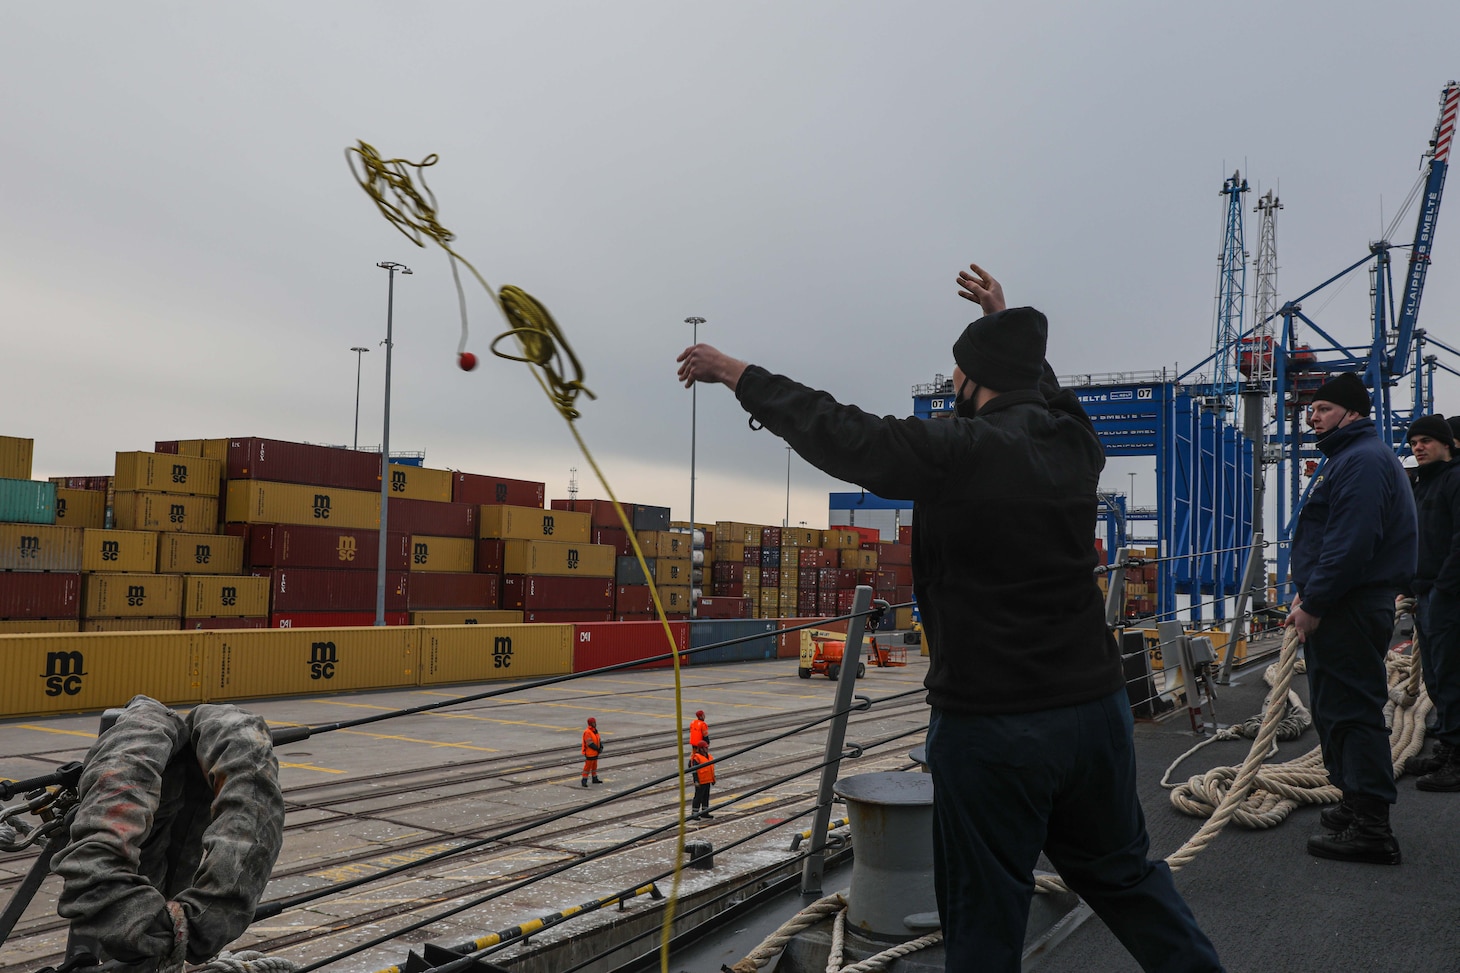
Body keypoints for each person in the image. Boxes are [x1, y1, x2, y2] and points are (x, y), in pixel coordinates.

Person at [676, 263, 1223, 972]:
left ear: (970, 381)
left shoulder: (961, 452)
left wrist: (737, 372)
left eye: (956, 373)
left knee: (985, 915)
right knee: (1126, 877)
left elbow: (844, 433)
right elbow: (1048, 395)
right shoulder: (1077, 447)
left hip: (994, 728)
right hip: (1095, 710)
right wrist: (1007, 325)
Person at [1288, 373, 1417, 863]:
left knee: (1352, 709)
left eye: (1321, 409)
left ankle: (1372, 829)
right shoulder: (1352, 457)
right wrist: (1308, 600)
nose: (1311, 417)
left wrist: (1315, 603)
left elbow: (1350, 542)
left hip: (1349, 603)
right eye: (1311, 410)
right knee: (1333, 705)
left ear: (1353, 412)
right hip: (1343, 600)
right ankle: (1353, 798)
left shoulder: (1359, 461)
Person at [1403, 415, 1460, 790]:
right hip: (1425, 591)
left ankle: (1457, 760)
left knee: (1452, 674)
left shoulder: (1455, 479)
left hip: (1448, 594)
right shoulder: (1425, 483)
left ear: (1447, 444)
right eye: (1413, 443)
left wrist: (1442, 588)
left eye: (1425, 441)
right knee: (1437, 677)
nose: (1418, 448)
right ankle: (1447, 748)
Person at [689, 743, 715, 818]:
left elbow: (711, 768)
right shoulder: (696, 758)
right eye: (705, 747)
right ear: (701, 749)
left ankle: (705, 812)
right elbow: (693, 770)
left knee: (706, 796)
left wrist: (713, 779)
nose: (707, 749)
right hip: (701, 781)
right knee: (698, 797)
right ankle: (694, 813)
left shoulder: (709, 756)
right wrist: (696, 780)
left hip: (708, 780)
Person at [581, 717, 603, 787]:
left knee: (594, 766)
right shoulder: (588, 732)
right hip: (590, 753)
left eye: (595, 722)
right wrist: (597, 748)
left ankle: (594, 778)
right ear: (590, 724)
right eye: (593, 723)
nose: (595, 724)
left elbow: (598, 740)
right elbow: (589, 743)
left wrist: (601, 746)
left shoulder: (595, 730)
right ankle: (584, 780)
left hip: (595, 753)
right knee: (587, 767)